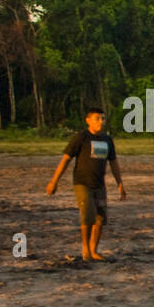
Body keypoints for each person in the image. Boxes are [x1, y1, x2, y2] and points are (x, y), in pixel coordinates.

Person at [45, 107, 127, 261]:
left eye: (103, 118)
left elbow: (113, 162)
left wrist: (120, 183)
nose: (101, 122)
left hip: (99, 184)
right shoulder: (81, 138)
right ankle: (85, 250)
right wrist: (54, 181)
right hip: (82, 183)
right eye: (97, 118)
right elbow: (66, 160)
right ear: (88, 120)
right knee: (87, 217)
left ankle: (94, 250)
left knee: (101, 218)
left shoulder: (107, 140)